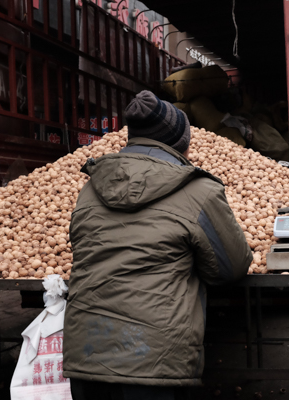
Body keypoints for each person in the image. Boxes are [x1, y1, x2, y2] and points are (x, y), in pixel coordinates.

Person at [63, 90, 253, 400]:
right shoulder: (198, 190)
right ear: (180, 142)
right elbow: (231, 267)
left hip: (86, 354)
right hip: (155, 361)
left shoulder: (91, 188)